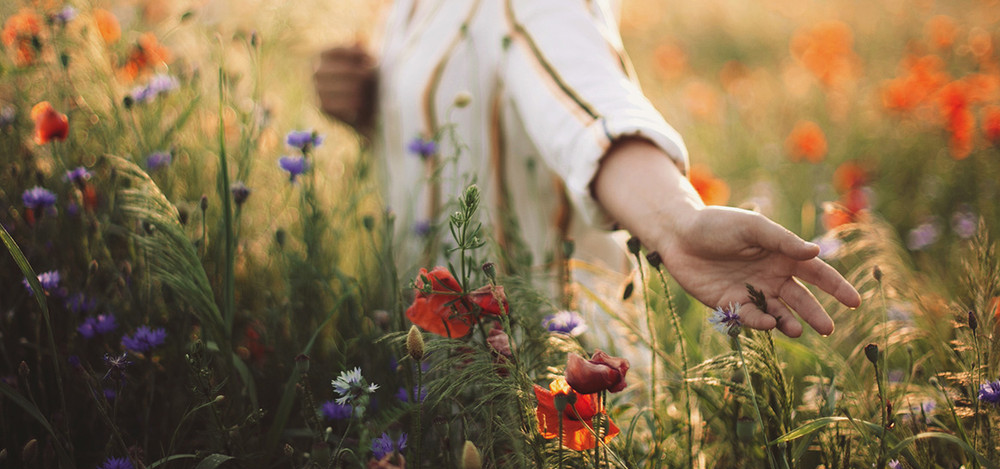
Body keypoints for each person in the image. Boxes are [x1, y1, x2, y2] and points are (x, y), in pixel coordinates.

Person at [314, 0, 861, 338]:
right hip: (435, 371)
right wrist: (368, 104)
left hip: (556, 388)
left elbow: (588, 108)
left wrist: (676, 223)